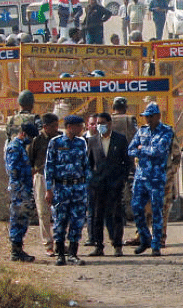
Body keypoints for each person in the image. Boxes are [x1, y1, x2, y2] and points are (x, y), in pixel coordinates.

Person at [45, 114, 91, 266]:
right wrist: (48, 189)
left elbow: (86, 165)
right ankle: (60, 254)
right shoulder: (55, 142)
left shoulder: (81, 142)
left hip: (78, 188)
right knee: (60, 221)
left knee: (77, 221)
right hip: (61, 187)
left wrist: (87, 185)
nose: (81, 129)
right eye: (79, 126)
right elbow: (49, 167)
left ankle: (73, 253)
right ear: (70, 127)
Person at [128, 103, 173, 256]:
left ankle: (156, 245)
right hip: (141, 177)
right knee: (136, 208)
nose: (147, 119)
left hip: (156, 178)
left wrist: (142, 149)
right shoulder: (142, 131)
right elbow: (130, 149)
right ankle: (145, 238)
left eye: (150, 116)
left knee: (157, 211)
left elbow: (159, 151)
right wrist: (141, 150)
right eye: (146, 116)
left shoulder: (166, 131)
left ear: (158, 116)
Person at [86, 112, 129, 257]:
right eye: (98, 123)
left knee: (116, 215)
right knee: (98, 216)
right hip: (98, 185)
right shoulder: (92, 141)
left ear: (110, 124)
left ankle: (117, 245)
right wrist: (92, 180)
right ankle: (98, 246)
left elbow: (126, 162)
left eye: (102, 123)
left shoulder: (120, 140)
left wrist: (122, 179)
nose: (99, 126)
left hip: (115, 184)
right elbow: (89, 163)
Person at [6, 121, 39, 262]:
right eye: (30, 137)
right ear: (24, 134)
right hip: (19, 189)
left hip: (24, 188)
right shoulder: (14, 147)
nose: (30, 141)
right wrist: (28, 172)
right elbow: (13, 170)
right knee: (18, 219)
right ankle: (16, 251)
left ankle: (19, 249)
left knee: (23, 219)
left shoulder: (21, 147)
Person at [31, 113, 59, 257]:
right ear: (45, 127)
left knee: (60, 211)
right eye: (53, 126)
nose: (56, 129)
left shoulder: (60, 138)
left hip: (58, 178)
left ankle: (60, 242)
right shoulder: (37, 140)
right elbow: (31, 161)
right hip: (41, 177)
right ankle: (48, 244)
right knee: (43, 212)